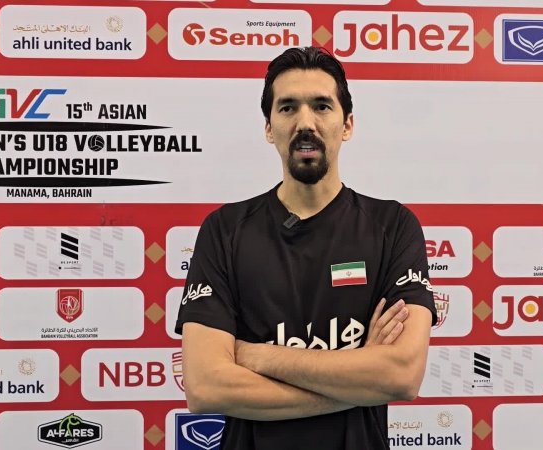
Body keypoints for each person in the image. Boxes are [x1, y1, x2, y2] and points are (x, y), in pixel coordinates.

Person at [176, 46, 436, 450]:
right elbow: (207, 387)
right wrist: (360, 380)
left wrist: (259, 356)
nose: (305, 123)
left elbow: (400, 375)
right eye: (287, 108)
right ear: (269, 128)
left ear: (347, 125)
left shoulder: (393, 227)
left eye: (321, 106)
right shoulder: (224, 230)